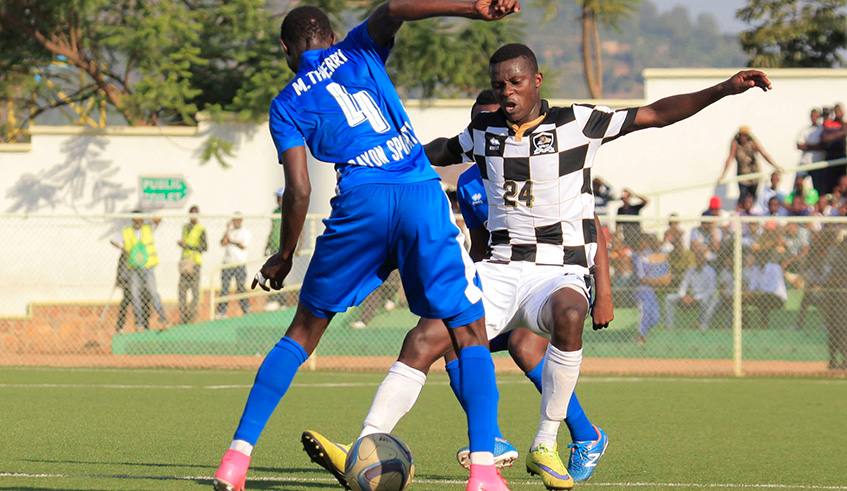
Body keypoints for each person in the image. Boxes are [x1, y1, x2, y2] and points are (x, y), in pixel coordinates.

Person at [367, 44, 771, 489]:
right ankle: (366, 444)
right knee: (425, 337)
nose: (507, 93)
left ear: (537, 81)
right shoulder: (484, 130)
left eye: (515, 83)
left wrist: (725, 89)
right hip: (500, 270)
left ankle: (546, 443)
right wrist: (384, 160)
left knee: (570, 313)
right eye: (500, 85)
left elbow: (657, 113)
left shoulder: (579, 122)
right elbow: (443, 149)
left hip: (557, 271)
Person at [212, 3, 520, 491]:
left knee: (303, 332)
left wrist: (284, 255)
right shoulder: (358, 48)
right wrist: (472, 7)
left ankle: (236, 460)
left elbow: (299, 191)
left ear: (286, 48)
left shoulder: (287, 103)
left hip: (362, 202)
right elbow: (395, 6)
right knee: (469, 332)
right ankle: (484, 471)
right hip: (420, 194)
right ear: (332, 35)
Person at [300, 90, 614, 488]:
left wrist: (603, 292)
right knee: (433, 339)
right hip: (501, 280)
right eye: (482, 124)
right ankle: (390, 440)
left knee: (511, 344)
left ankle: (570, 437)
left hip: (550, 280)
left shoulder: (542, 160)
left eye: (498, 119)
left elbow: (591, 226)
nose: (494, 130)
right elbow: (484, 246)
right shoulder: (469, 183)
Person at [110, 211, 168, 330]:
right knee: (135, 295)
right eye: (136, 219)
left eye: (140, 219)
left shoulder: (148, 229)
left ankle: (163, 317)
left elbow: (158, 220)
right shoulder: (127, 232)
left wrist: (154, 218)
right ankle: (139, 323)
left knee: (153, 293)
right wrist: (122, 248)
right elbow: (114, 240)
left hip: (147, 266)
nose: (138, 221)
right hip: (134, 268)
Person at [718, 126, 781, 200]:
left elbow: (763, 154)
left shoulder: (752, 141)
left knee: (753, 198)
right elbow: (730, 158)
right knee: (743, 197)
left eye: (746, 135)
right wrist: (723, 176)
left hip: (754, 175)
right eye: (742, 135)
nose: (744, 138)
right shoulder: (735, 143)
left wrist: (775, 166)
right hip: (743, 176)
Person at [664, 248, 718, 331]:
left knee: (706, 300)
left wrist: (695, 297)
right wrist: (683, 296)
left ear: (704, 259)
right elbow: (683, 285)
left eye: (700, 257)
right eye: (697, 257)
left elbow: (711, 290)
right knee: (669, 298)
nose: (699, 259)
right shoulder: (690, 270)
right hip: (690, 296)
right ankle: (669, 326)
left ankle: (702, 326)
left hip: (701, 297)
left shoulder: (711, 271)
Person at [632, 233, 671, 343]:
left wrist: (663, 279)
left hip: (650, 289)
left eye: (646, 242)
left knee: (655, 318)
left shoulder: (647, 256)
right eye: (642, 241)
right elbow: (641, 278)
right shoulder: (637, 257)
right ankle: (641, 336)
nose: (645, 244)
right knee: (645, 311)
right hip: (641, 289)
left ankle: (642, 333)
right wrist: (658, 281)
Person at [742, 247, 788, 329]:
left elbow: (773, 287)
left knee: (765, 298)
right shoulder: (755, 269)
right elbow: (753, 285)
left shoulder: (776, 268)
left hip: (777, 297)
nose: (760, 259)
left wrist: (758, 292)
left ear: (767, 258)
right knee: (742, 298)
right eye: (758, 257)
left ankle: (764, 325)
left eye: (762, 257)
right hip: (760, 295)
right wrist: (748, 293)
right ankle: (745, 324)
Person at [217, 213, 252, 319]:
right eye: (234, 220)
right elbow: (223, 243)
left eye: (237, 220)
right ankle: (221, 311)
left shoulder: (245, 232)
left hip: (239, 263)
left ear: (241, 220)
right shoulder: (229, 232)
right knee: (225, 288)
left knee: (241, 286)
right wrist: (227, 229)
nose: (236, 222)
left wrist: (231, 241)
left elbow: (243, 245)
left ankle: (245, 308)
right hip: (228, 263)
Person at [177, 205, 207, 324]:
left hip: (195, 263)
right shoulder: (185, 227)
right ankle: (183, 315)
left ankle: (193, 314)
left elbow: (204, 247)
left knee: (194, 290)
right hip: (185, 263)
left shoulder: (201, 229)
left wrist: (187, 246)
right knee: (182, 290)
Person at [263, 189, 287, 312]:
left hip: (284, 249)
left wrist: (297, 247)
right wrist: (267, 246)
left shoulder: (290, 211)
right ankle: (276, 299)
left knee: (279, 274)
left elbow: (301, 231)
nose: (279, 200)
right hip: (274, 248)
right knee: (272, 274)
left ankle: (281, 301)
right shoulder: (275, 212)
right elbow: (273, 230)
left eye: (281, 197)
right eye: (278, 198)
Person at [796, 108, 826, 194]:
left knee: (817, 186)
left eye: (816, 116)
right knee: (799, 183)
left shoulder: (822, 129)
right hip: (805, 162)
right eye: (812, 116)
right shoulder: (805, 129)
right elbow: (799, 145)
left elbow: (823, 145)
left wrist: (807, 146)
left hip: (817, 163)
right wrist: (815, 146)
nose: (814, 118)